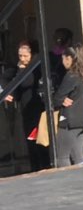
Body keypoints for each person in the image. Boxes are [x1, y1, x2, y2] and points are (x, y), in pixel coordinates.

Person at [2, 41, 49, 172]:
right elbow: (5, 77)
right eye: (20, 56)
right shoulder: (18, 67)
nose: (22, 59)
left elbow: (26, 82)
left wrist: (22, 70)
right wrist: (7, 92)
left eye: (25, 56)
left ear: (31, 55)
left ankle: (44, 165)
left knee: (39, 140)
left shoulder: (35, 66)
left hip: (37, 107)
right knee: (30, 140)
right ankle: (35, 166)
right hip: (25, 108)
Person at [51, 45, 83, 167]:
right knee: (78, 155)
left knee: (62, 156)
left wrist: (59, 100)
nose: (62, 62)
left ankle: (66, 179)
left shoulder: (71, 75)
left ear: (68, 58)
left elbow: (57, 97)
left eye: (63, 59)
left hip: (69, 121)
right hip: (82, 120)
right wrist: (62, 99)